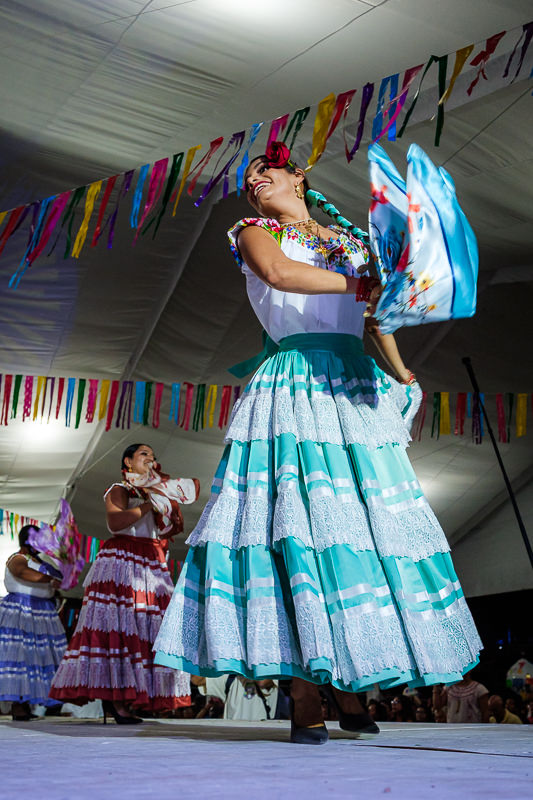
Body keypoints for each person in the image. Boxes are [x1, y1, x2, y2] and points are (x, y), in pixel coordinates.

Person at [154, 141, 482, 744]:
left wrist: (401, 371)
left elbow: (376, 316)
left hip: (354, 387)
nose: (254, 183)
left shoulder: (353, 242)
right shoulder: (252, 231)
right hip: (295, 382)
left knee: (357, 533)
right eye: (248, 178)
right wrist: (365, 285)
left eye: (264, 171)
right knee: (296, 529)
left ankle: (350, 683)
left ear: (296, 176)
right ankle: (304, 690)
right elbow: (279, 275)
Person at [49, 444, 199, 723]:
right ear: (128, 461)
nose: (151, 458)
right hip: (123, 560)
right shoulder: (120, 488)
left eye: (153, 456)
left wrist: (164, 505)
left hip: (151, 561)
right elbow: (116, 522)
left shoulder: (156, 492)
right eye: (144, 454)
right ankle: (117, 701)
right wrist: (147, 504)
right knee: (122, 628)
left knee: (148, 628)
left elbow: (166, 530)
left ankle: (135, 696)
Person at [0, 525, 66, 720]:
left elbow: (58, 579)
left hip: (42, 611)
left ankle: (31, 703)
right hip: (22, 610)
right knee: (22, 656)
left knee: (40, 657)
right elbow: (22, 573)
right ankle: (18, 705)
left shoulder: (41, 561)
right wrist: (49, 579)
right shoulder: (18, 558)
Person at [191, 674, 282, 722]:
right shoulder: (231, 678)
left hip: (260, 736)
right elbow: (196, 680)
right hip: (233, 736)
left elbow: (261, 682)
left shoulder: (270, 671)